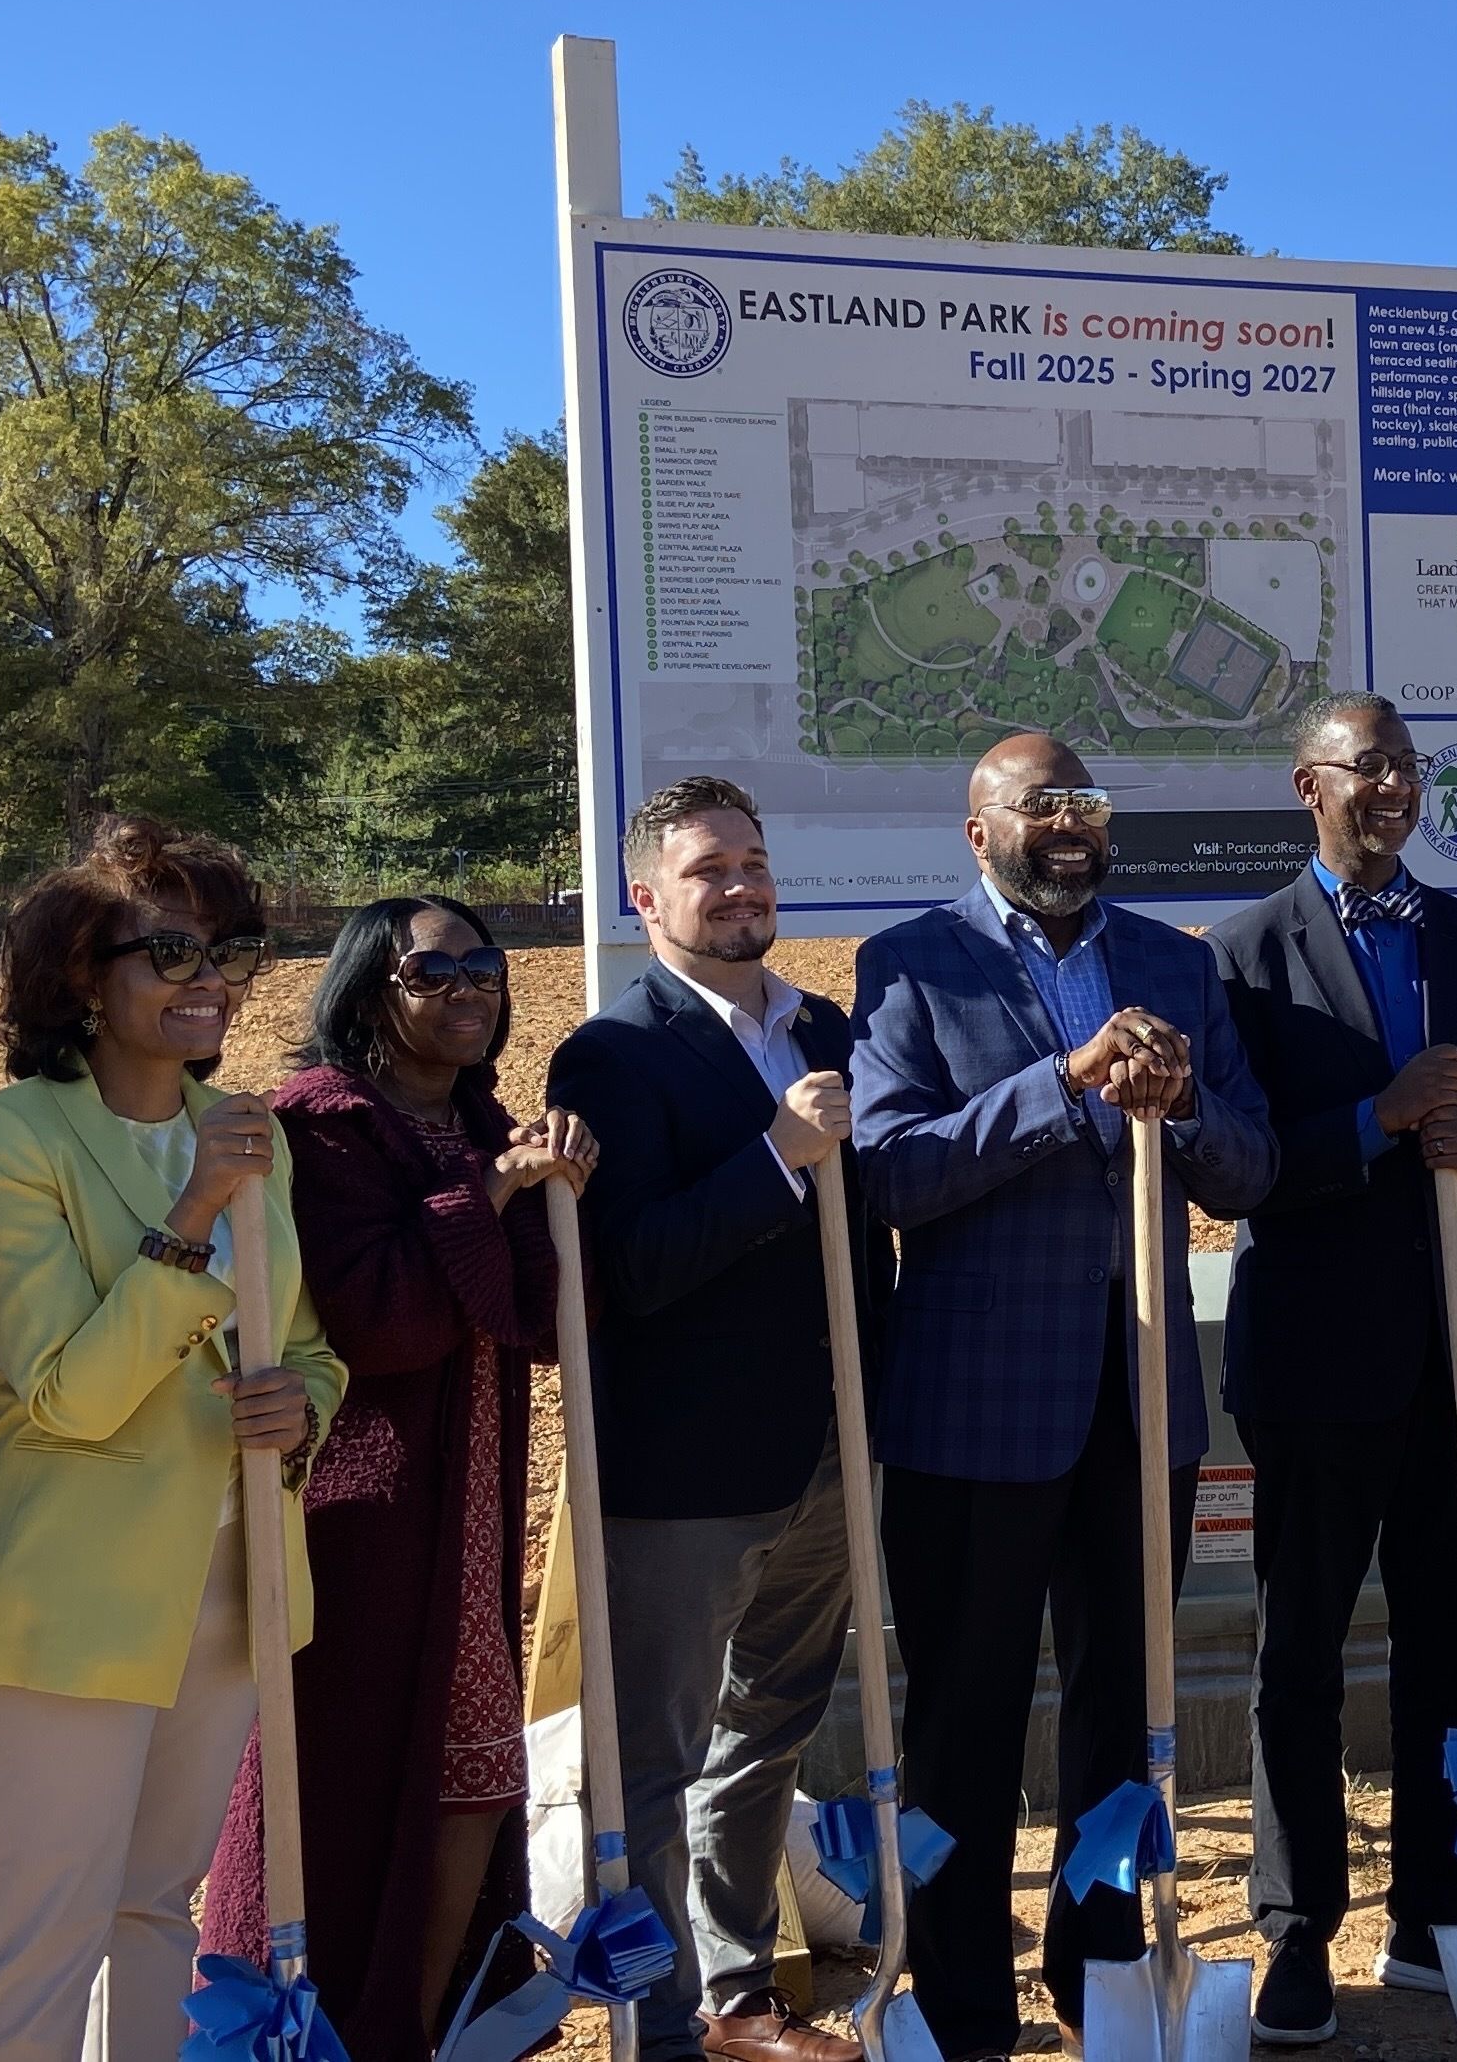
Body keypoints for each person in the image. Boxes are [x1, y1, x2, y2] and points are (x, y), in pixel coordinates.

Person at [845, 733, 1277, 2062]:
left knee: (1120, 1714)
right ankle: (959, 1993)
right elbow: (894, 1174)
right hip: (976, 1408)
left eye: (1084, 803)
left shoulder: (1175, 963)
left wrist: (1185, 1105)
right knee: (965, 1718)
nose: (1068, 826)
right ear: (979, 833)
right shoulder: (913, 965)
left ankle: (1098, 1966)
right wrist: (1067, 1084)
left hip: (1141, 1399)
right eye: (1037, 807)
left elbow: (1248, 1168)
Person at [0, 819, 348, 2062]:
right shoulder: (4, 1142)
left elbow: (310, 1347)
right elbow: (68, 1391)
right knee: (41, 1934)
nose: (207, 977)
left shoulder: (248, 1130)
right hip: (67, 1595)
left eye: (228, 949)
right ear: (80, 977)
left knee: (155, 1912)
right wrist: (190, 1215)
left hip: (231, 1587)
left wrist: (306, 1408)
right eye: (167, 950)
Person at [1207, 695, 1457, 2039]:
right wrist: (1379, 1116)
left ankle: (1433, 1906)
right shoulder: (1241, 955)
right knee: (1296, 1647)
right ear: (1311, 784)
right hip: (1309, 1361)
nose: (1399, 785)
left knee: (1452, 1642)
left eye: (1410, 764)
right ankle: (1296, 1931)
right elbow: (1230, 1160)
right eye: (1374, 765)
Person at [200, 895, 587, 2057]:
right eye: (435, 972)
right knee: (337, 1784)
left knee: (472, 1771)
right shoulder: (319, 1132)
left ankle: (408, 2033)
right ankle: (299, 2026)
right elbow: (384, 1322)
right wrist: (497, 1194)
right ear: (372, 991)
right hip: (356, 1522)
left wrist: (555, 1197)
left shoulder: (485, 1120)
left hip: (469, 1521)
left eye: (486, 967)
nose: (470, 988)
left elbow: (543, 1320)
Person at [543, 780, 879, 2062]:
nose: (741, 888)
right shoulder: (611, 1055)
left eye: (754, 861)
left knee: (772, 1727)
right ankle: (658, 2020)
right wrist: (775, 1158)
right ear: (646, 898)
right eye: (706, 870)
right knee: (657, 1756)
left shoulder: (822, 1024)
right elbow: (629, 1266)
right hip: (684, 1477)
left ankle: (738, 1990)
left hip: (823, 1454)